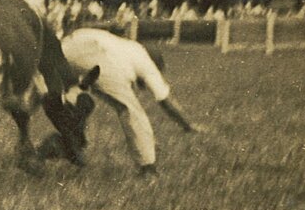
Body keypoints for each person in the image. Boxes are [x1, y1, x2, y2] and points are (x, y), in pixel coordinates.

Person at [42, 28, 202, 175]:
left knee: (79, 98)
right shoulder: (146, 62)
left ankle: (64, 143)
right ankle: (148, 166)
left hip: (70, 43)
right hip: (96, 53)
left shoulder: (127, 46)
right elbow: (165, 100)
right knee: (130, 109)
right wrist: (188, 126)